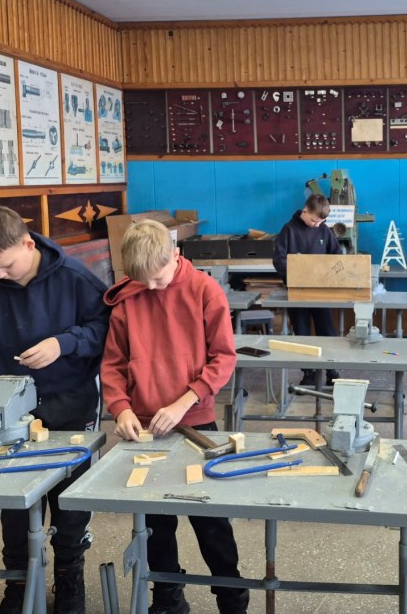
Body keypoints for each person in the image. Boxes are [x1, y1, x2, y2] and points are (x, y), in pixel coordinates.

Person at [0, 203, 110, 614]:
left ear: (28, 244)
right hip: (9, 407)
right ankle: (18, 581)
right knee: (14, 499)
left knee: (70, 500)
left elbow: (105, 329)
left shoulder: (75, 279)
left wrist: (63, 343)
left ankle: (69, 575)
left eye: (6, 265)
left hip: (70, 401)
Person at [101, 220, 249, 614]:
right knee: (155, 524)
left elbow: (223, 358)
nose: (151, 288)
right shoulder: (127, 300)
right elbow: (113, 366)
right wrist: (121, 408)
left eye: (158, 278)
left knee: (211, 522)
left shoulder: (204, 290)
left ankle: (231, 597)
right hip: (145, 430)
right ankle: (167, 595)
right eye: (142, 280)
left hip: (195, 422)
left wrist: (186, 401)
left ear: (176, 255)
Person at [272, 193, 343, 386]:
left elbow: (337, 255)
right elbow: (278, 260)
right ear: (305, 211)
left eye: (320, 222)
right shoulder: (288, 230)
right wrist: (295, 276)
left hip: (321, 292)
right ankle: (308, 372)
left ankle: (332, 370)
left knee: (327, 330)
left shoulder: (323, 230)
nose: (316, 225)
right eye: (313, 221)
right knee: (302, 332)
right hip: (297, 292)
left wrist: (331, 275)